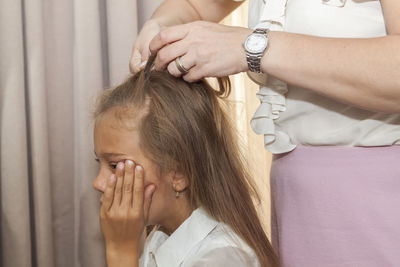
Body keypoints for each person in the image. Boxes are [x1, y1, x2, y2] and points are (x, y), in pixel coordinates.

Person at [129, 0, 400, 266]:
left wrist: (252, 47)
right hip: (295, 197)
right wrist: (162, 27)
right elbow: (195, 6)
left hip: (381, 198)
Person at [92, 56, 279, 267]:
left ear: (178, 173)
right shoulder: (160, 238)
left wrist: (120, 251)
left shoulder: (222, 258)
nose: (98, 183)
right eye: (100, 163)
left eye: (115, 166)